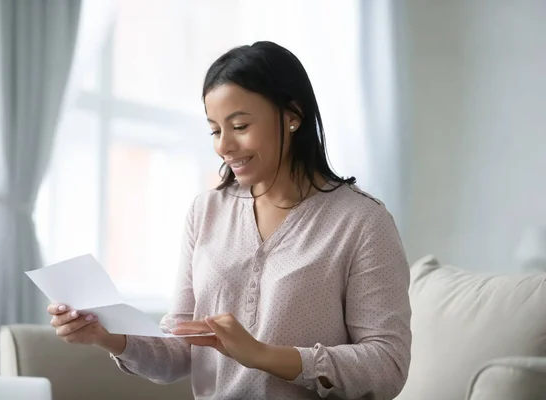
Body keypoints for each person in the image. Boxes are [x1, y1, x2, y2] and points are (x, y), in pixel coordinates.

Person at [47, 41, 411, 399]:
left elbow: (387, 366)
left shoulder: (362, 222)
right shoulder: (206, 212)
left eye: (239, 126)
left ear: (292, 116)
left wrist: (264, 356)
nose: (223, 146)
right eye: (215, 130)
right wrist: (106, 336)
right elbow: (180, 352)